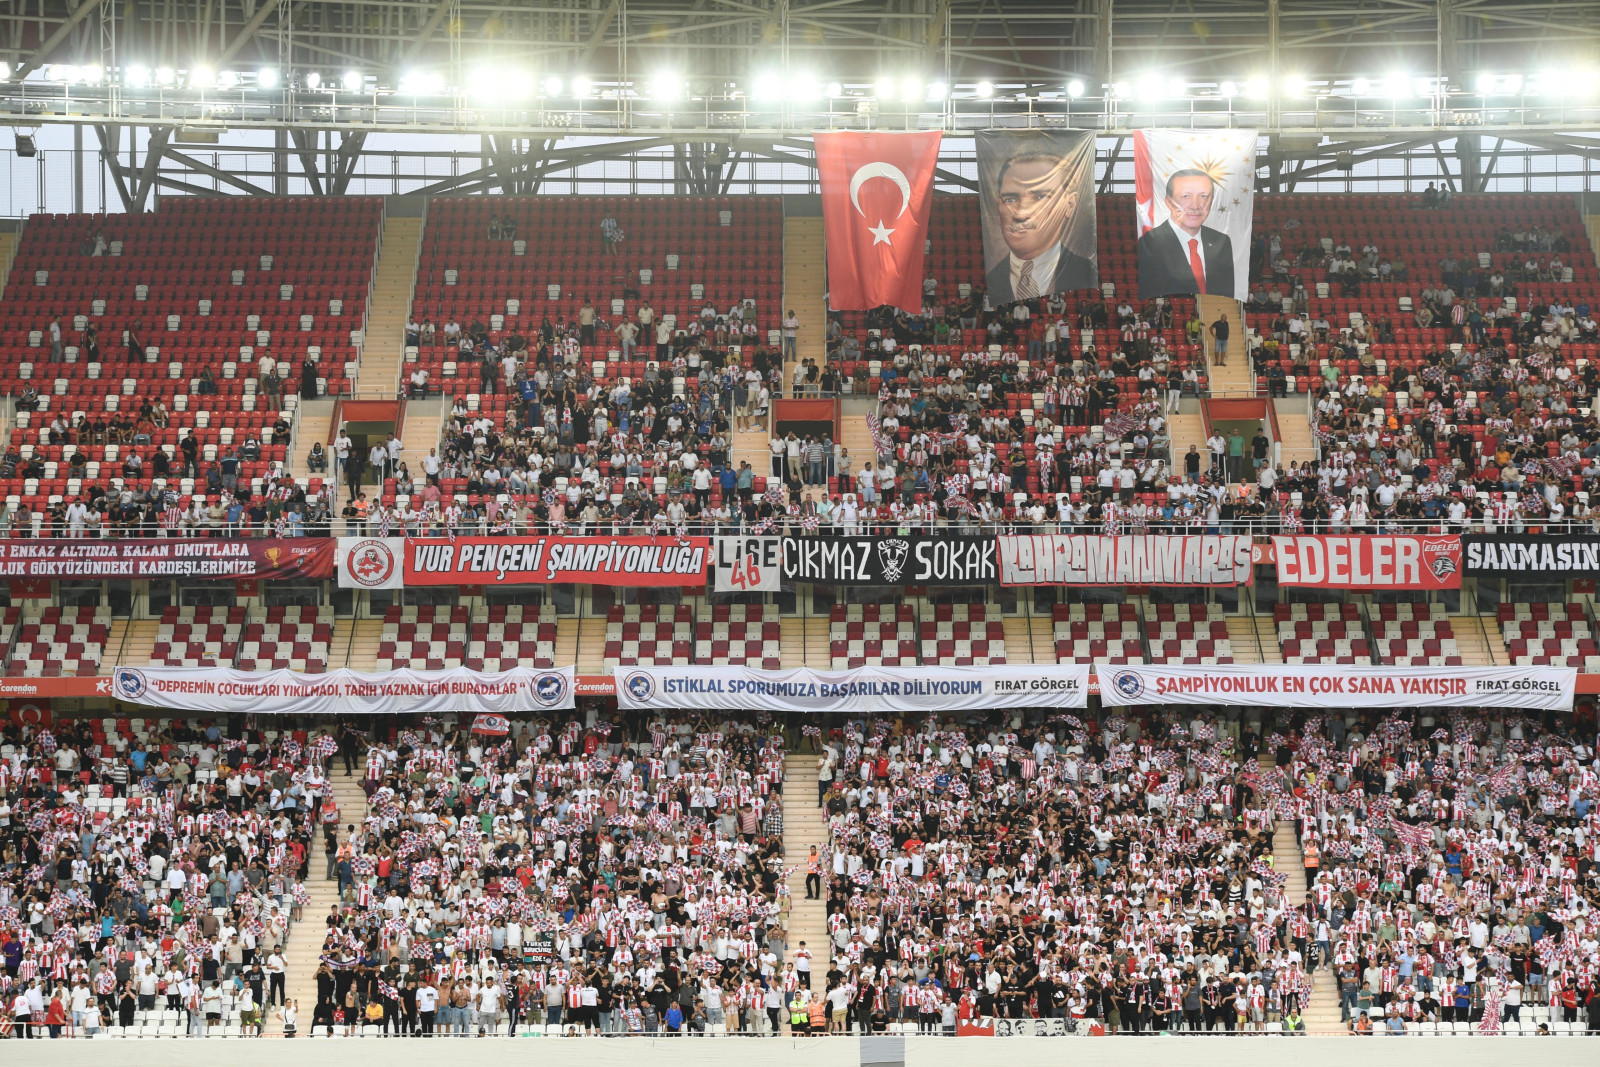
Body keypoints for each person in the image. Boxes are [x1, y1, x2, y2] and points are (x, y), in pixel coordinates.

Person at [984, 151, 1096, 302]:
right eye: (1010, 199)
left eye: (1040, 197)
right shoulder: (991, 278)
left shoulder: (1086, 272)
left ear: (1070, 204)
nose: (1021, 214)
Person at [1137, 168, 1236, 298]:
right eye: (1186, 196)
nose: (1195, 206)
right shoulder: (1151, 242)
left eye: (1203, 196)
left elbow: (1226, 290)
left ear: (1211, 201)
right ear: (1169, 203)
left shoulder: (1221, 241)